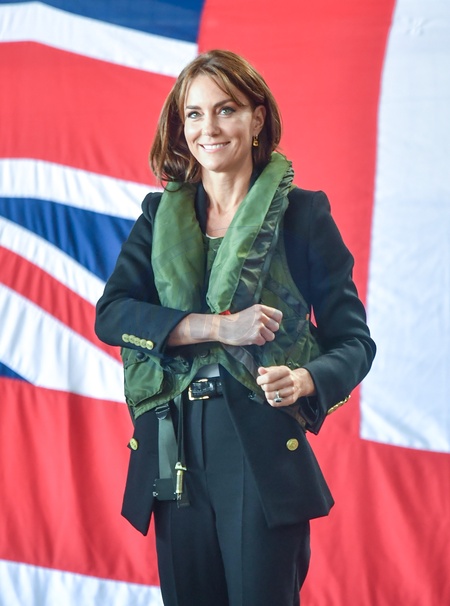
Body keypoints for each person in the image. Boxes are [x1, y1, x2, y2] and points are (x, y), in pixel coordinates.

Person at [95, 49, 376, 606]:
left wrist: (306, 380)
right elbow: (113, 314)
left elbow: (354, 342)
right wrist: (218, 328)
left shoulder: (303, 216)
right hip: (172, 447)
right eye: (194, 114)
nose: (209, 128)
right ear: (181, 127)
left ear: (257, 119)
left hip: (259, 446)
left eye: (226, 110)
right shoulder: (156, 216)